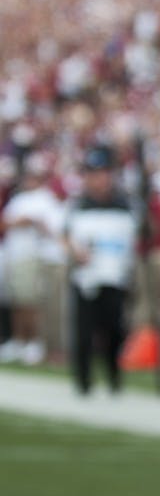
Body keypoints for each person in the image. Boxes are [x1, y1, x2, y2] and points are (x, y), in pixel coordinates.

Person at [63, 144, 139, 395]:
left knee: (114, 330)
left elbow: (138, 237)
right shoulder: (78, 205)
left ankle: (114, 378)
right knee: (84, 332)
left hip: (115, 277)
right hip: (87, 277)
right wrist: (75, 250)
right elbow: (65, 235)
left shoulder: (124, 204)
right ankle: (83, 381)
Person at [0, 151, 65, 365]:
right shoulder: (19, 198)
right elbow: (5, 223)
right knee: (17, 300)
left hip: (33, 256)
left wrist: (29, 222)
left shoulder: (46, 199)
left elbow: (52, 229)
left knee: (31, 301)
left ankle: (33, 341)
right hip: (14, 254)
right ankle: (19, 341)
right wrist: (23, 222)